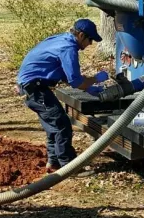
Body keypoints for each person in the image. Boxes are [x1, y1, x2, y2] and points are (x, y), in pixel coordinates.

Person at [16, 18, 110, 172]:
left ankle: (53, 163)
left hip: (34, 86)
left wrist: (89, 88)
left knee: (54, 126)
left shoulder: (61, 39)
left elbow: (66, 74)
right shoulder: (69, 48)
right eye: (90, 39)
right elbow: (75, 82)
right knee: (62, 125)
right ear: (80, 35)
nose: (90, 44)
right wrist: (96, 79)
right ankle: (69, 167)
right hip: (35, 88)